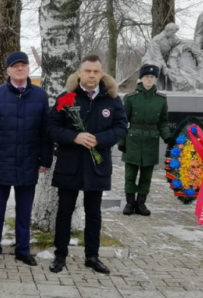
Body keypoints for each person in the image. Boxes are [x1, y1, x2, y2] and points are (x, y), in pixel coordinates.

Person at [48, 55, 127, 275]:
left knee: (94, 213)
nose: (92, 75)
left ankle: (92, 256)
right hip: (70, 164)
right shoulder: (67, 97)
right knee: (64, 211)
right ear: (79, 73)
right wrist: (74, 137)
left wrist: (99, 139)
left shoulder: (112, 99)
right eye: (88, 71)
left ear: (101, 74)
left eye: (96, 71)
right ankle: (60, 254)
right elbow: (52, 127)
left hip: (96, 166)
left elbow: (121, 128)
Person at [0, 51, 52, 266]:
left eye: (24, 65)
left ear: (29, 69)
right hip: (1, 164)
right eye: (15, 66)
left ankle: (23, 249)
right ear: (8, 70)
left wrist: (45, 159)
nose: (20, 69)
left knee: (24, 211)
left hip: (28, 162)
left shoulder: (40, 96)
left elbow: (45, 131)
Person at [120, 64, 170, 216]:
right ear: (141, 79)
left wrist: (168, 137)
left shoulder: (161, 100)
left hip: (151, 140)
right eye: (147, 77)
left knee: (146, 176)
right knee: (130, 175)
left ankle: (141, 203)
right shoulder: (130, 98)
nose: (149, 79)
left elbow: (163, 121)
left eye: (152, 77)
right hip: (133, 140)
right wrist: (122, 142)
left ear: (155, 80)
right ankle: (130, 203)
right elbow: (122, 122)